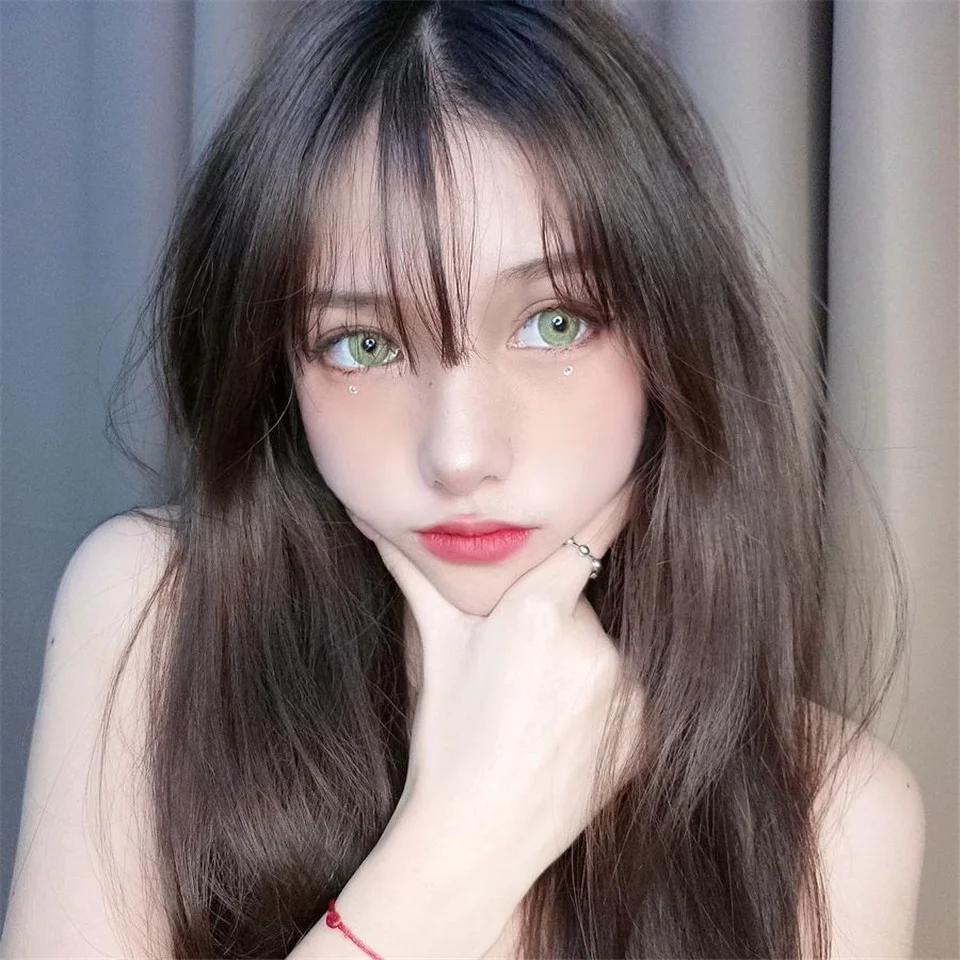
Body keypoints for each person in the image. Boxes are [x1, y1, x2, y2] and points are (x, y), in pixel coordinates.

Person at [1, 2, 925, 958]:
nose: (458, 452)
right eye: (362, 344)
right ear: (275, 369)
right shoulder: (157, 621)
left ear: (671, 336)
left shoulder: (835, 820)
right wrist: (460, 845)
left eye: (554, 323)